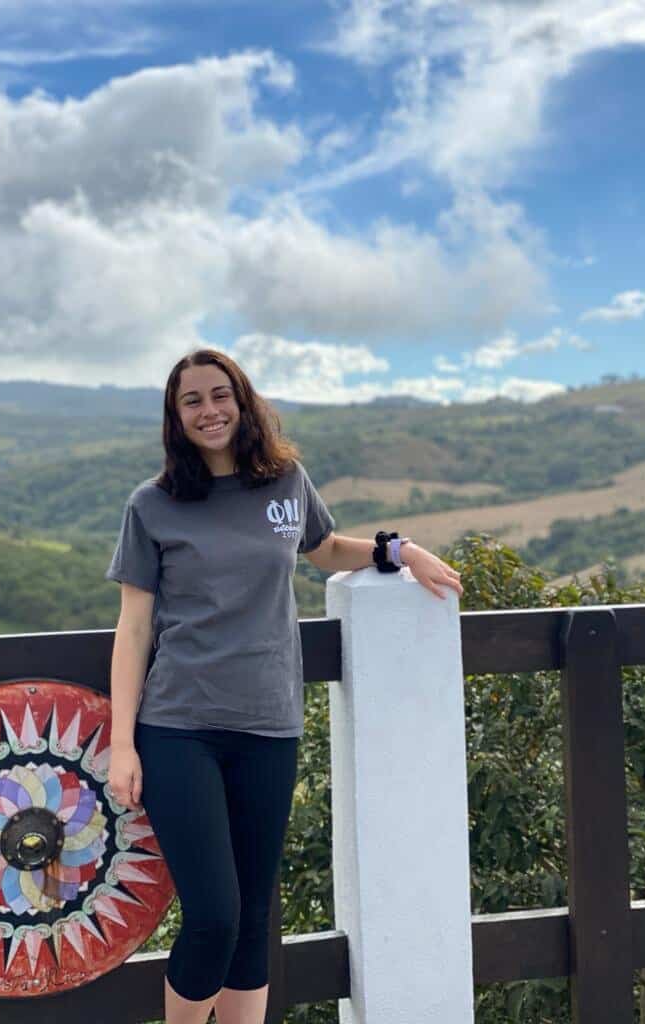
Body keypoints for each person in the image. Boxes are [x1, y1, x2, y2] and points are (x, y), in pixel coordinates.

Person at [105, 348, 463, 1024]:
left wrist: (400, 550)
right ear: (175, 417)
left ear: (242, 403)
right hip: (180, 727)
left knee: (253, 913)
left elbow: (324, 548)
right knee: (214, 915)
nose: (209, 410)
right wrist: (123, 744)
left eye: (220, 396)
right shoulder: (152, 505)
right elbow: (132, 627)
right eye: (192, 401)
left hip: (269, 724)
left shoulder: (285, 483)